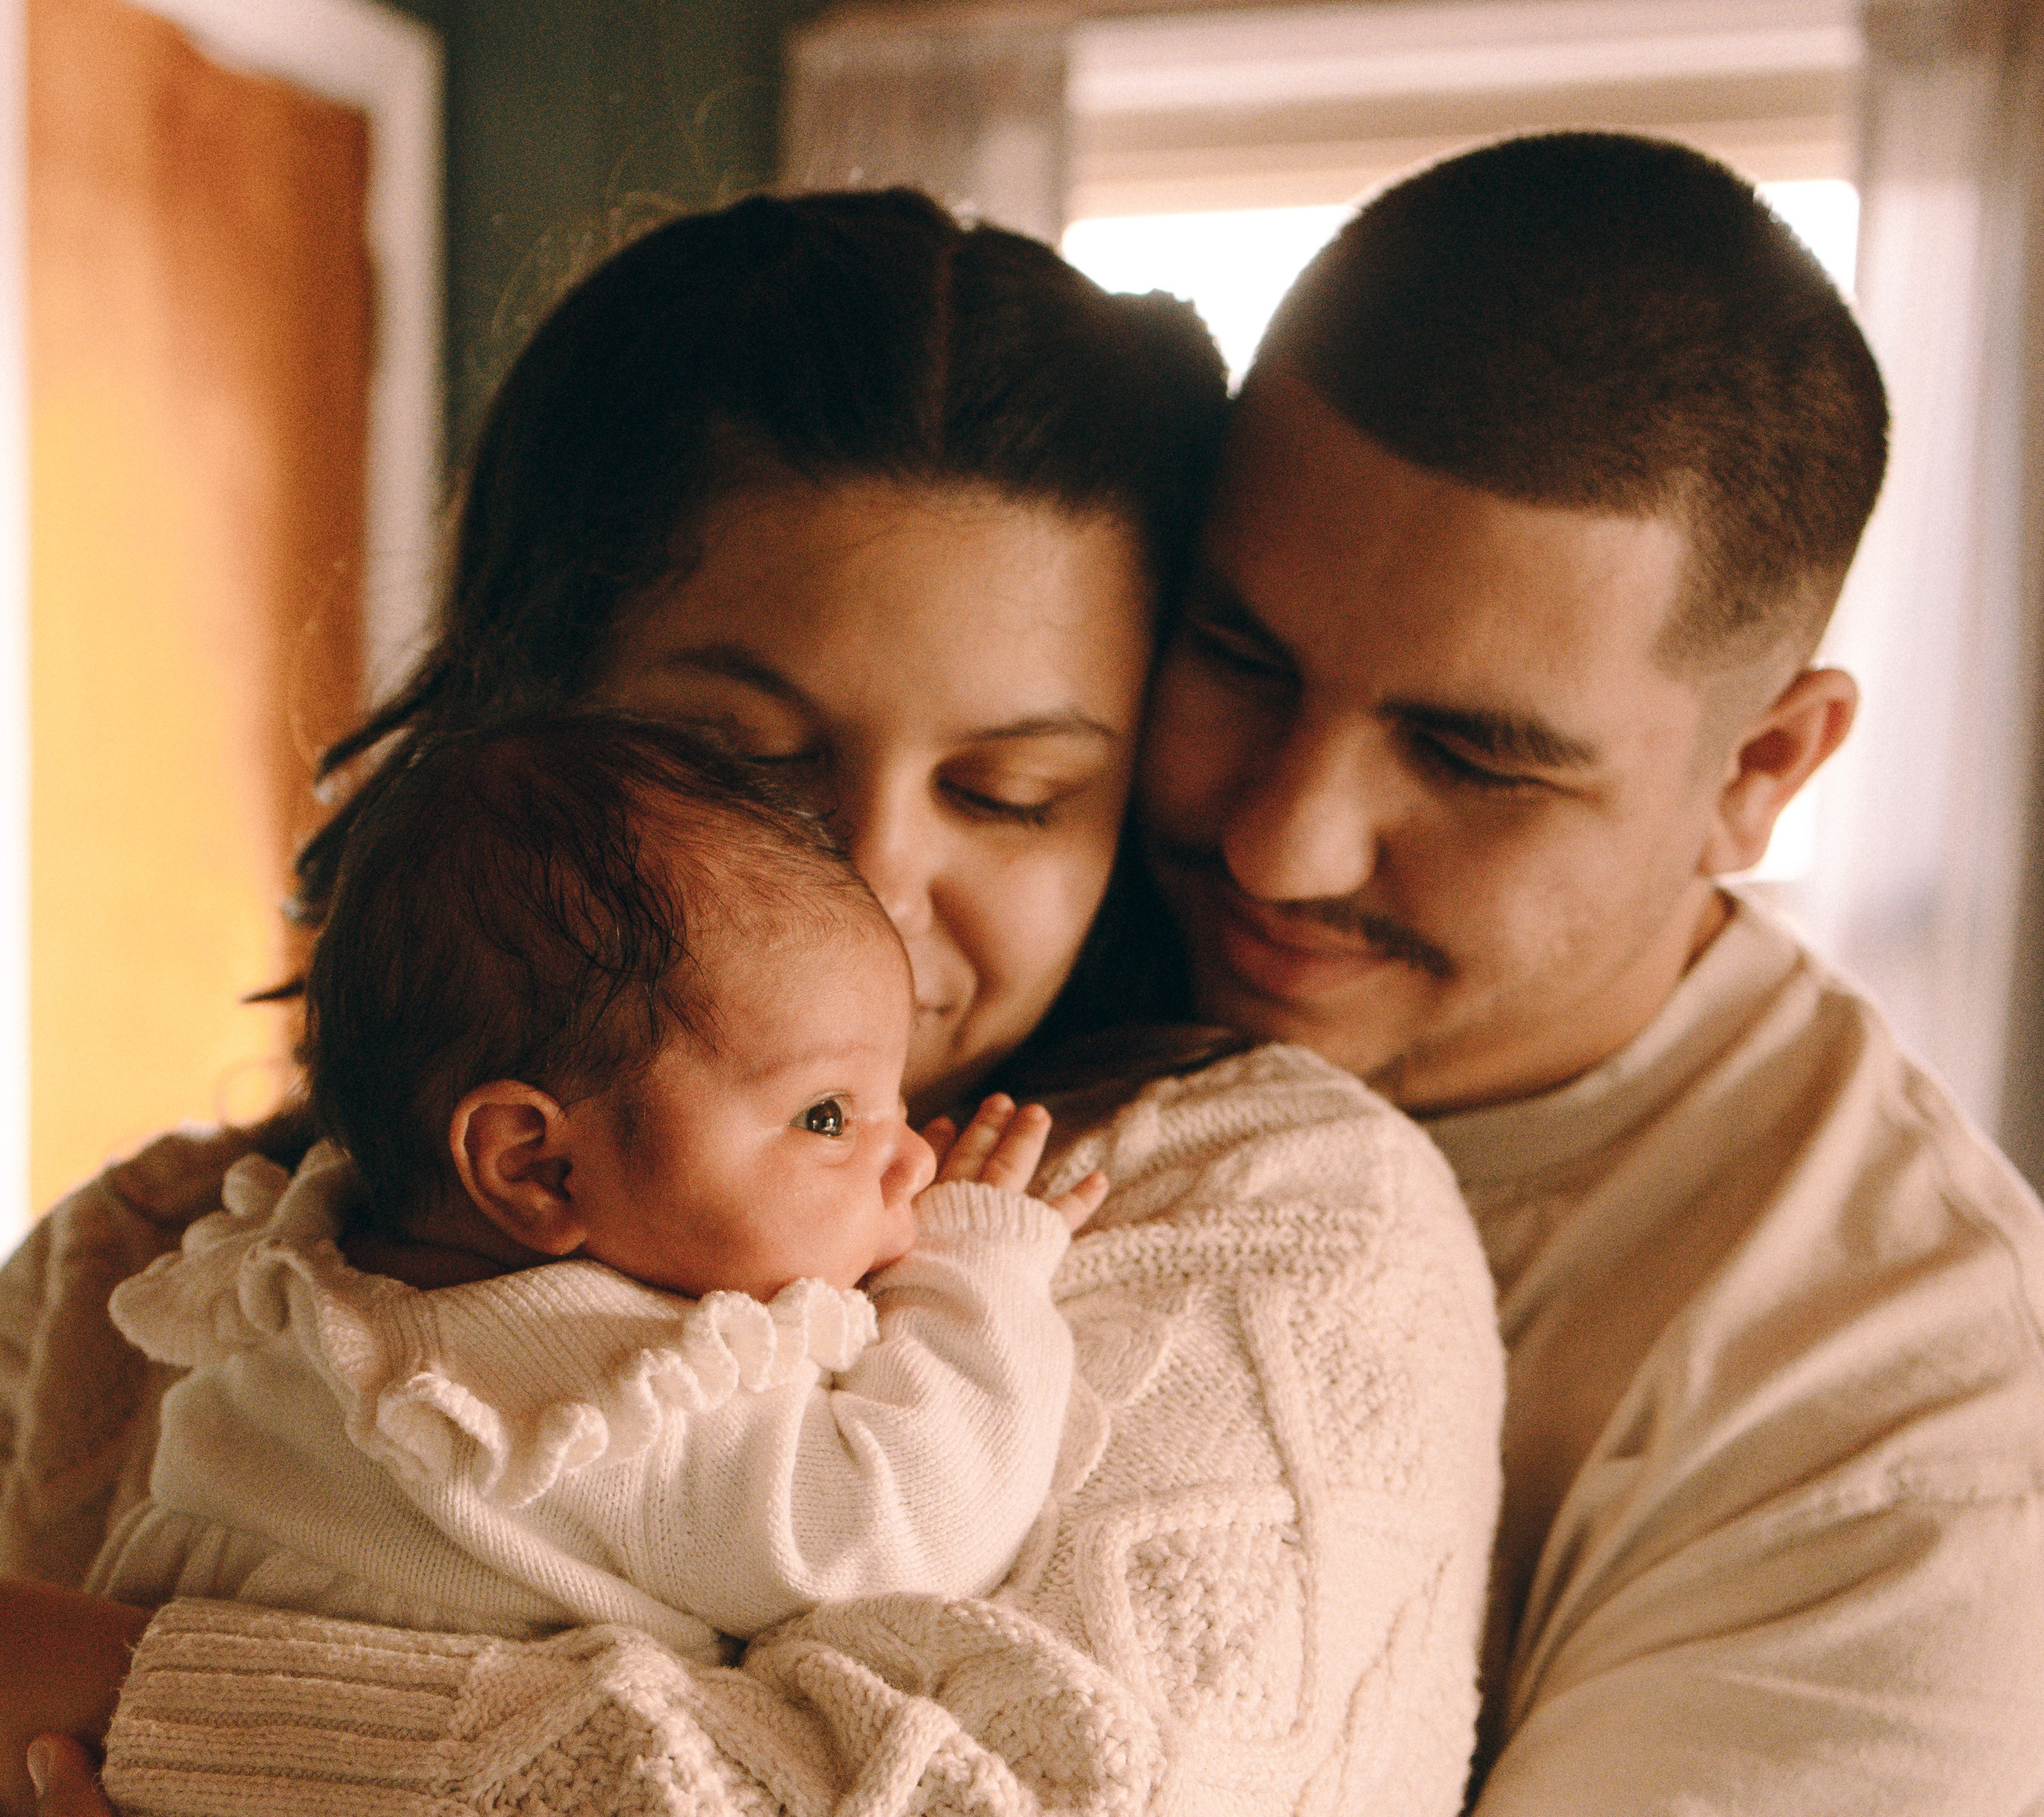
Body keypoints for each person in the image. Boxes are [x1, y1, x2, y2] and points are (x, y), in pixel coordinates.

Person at [0, 189, 1503, 1817]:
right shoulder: (141, 1268)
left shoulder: (1271, 1213)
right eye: (741, 774)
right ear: (532, 720)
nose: (866, 886)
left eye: (1005, 791)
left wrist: (127, 1697)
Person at [1139, 131, 2044, 1811]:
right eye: (1236, 657)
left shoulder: (1898, 1421)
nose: (1279, 845)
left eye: (1473, 756)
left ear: (1758, 770)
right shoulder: (1018, 933)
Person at [89, 711, 1109, 1657]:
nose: (916, 1160)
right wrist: (980, 1264)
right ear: (536, 1167)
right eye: (827, 1117)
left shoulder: (305, 1294)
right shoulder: (586, 1394)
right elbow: (901, 1533)